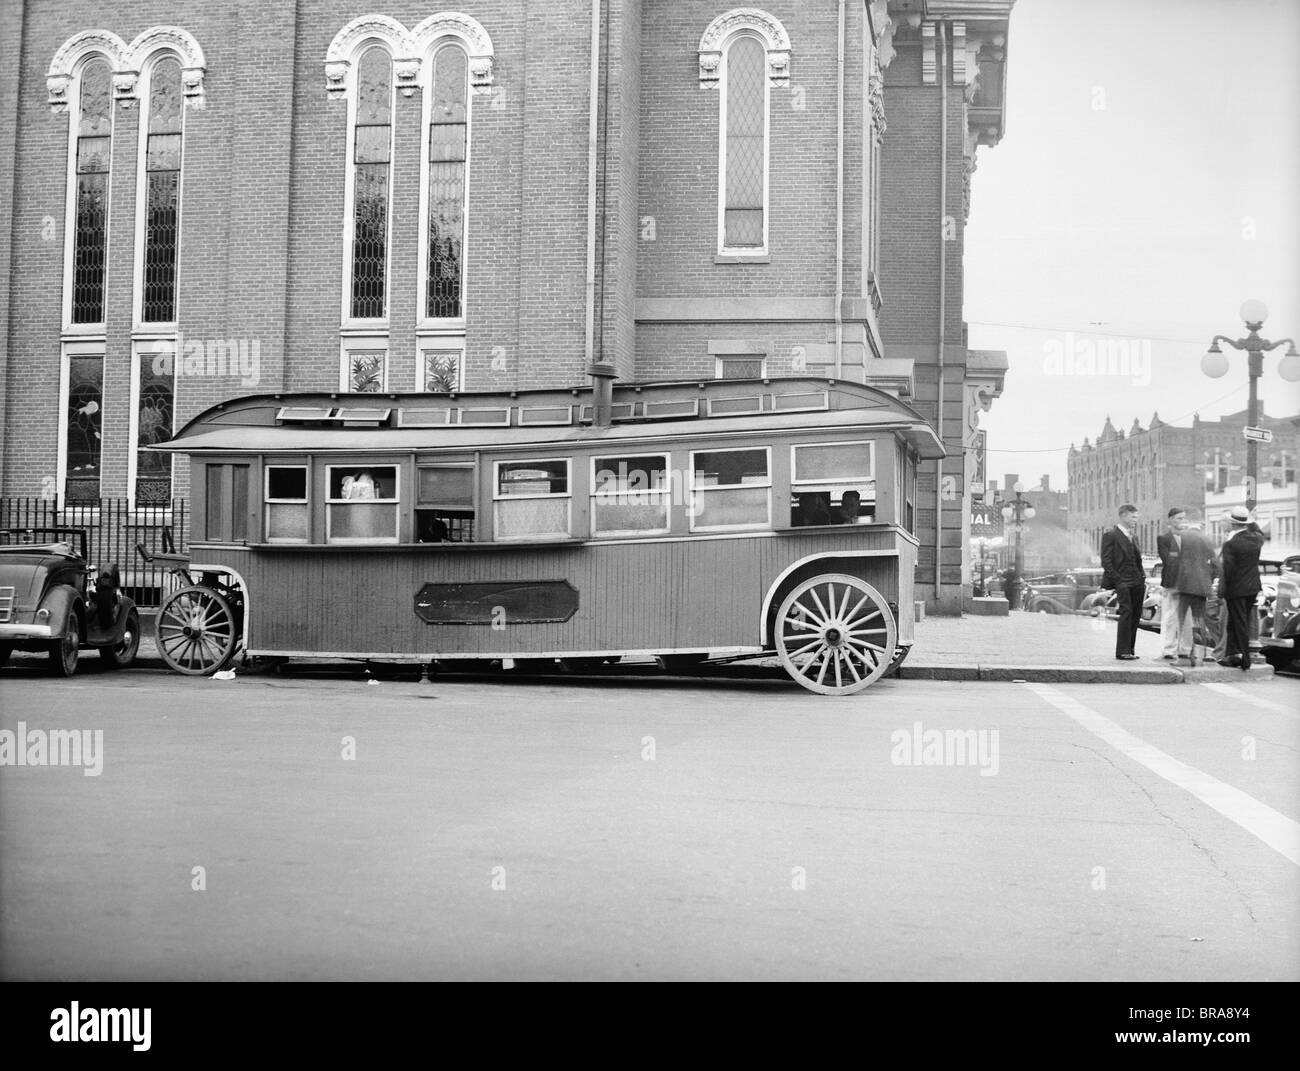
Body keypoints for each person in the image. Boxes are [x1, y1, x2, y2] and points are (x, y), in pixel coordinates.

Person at [1218, 506, 1265, 670]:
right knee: (1235, 621)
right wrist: (1252, 520)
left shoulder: (1231, 544)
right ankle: (1232, 655)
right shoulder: (1256, 540)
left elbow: (1228, 571)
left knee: (1238, 623)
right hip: (1252, 587)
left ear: (1232, 524)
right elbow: (1260, 533)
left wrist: (1222, 590)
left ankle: (1245, 658)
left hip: (1236, 589)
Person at [1170, 518, 1218, 666]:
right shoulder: (1208, 539)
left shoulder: (1180, 537)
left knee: (1182, 620)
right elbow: (1215, 563)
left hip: (1184, 585)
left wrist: (1173, 583)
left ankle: (1184, 653)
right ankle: (1201, 654)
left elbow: (1173, 561)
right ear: (1200, 525)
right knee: (1200, 620)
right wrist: (1209, 579)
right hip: (1202, 587)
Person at [1100, 504, 1145, 659]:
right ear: (1123, 516)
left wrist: (1142, 577)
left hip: (1137, 581)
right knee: (1126, 612)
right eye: (1133, 517)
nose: (1136, 520)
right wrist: (1118, 579)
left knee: (1135, 614)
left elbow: (1138, 560)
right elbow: (1105, 561)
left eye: (1136, 517)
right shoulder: (1110, 535)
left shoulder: (1134, 536)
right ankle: (1122, 651)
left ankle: (1130, 649)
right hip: (1123, 580)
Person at [1155, 507, 1193, 660]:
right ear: (1170, 520)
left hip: (1189, 583)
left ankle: (1185, 648)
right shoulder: (1163, 539)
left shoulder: (1190, 538)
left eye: (1183, 518)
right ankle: (1169, 649)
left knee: (1187, 617)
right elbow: (1168, 560)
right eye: (1178, 518)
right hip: (1172, 582)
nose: (1182, 521)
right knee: (1171, 617)